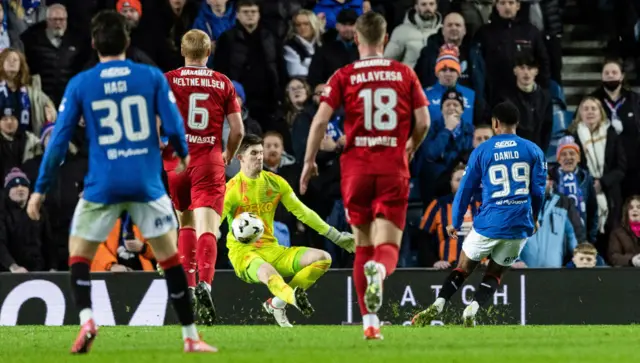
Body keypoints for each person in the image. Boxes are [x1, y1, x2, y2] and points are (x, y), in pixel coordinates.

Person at [25, 11, 216, 354]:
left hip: (103, 184)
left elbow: (57, 143)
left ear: (94, 43)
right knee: (170, 258)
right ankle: (190, 335)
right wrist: (184, 155)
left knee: (79, 255)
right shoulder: (151, 76)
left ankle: (86, 319)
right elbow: (173, 125)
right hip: (145, 183)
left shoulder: (81, 83)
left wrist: (40, 188)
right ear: (128, 41)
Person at [299, 12, 431, 340]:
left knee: (362, 245)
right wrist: (410, 146)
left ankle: (370, 324)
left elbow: (319, 121)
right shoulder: (404, 73)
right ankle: (380, 272)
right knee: (387, 245)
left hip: (355, 170)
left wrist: (309, 161)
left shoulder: (344, 74)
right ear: (385, 39)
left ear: (357, 38)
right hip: (391, 167)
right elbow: (425, 120)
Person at [411, 101, 546, 327]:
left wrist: (455, 221)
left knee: (463, 267)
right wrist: (534, 217)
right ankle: (472, 309)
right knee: (495, 272)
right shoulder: (533, 150)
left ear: (495, 123)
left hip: (489, 222)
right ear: (517, 123)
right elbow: (539, 190)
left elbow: (465, 189)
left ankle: (440, 303)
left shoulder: (482, 150)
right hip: (519, 225)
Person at [222, 134, 355, 328]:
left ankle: (277, 303)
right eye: (254, 153)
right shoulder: (230, 190)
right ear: (240, 157)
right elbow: (212, 223)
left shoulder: (275, 182)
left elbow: (304, 213)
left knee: (323, 258)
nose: (259, 157)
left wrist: (336, 236)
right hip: (243, 254)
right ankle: (293, 298)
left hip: (272, 249)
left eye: (260, 153)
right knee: (268, 271)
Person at [163, 29, 244, 326]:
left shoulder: (169, 79)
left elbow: (156, 121)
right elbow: (238, 131)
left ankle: (190, 286)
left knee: (184, 222)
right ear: (208, 53)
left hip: (177, 162)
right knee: (208, 227)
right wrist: (229, 154)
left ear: (182, 52)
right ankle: (206, 284)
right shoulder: (222, 82)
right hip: (209, 161)